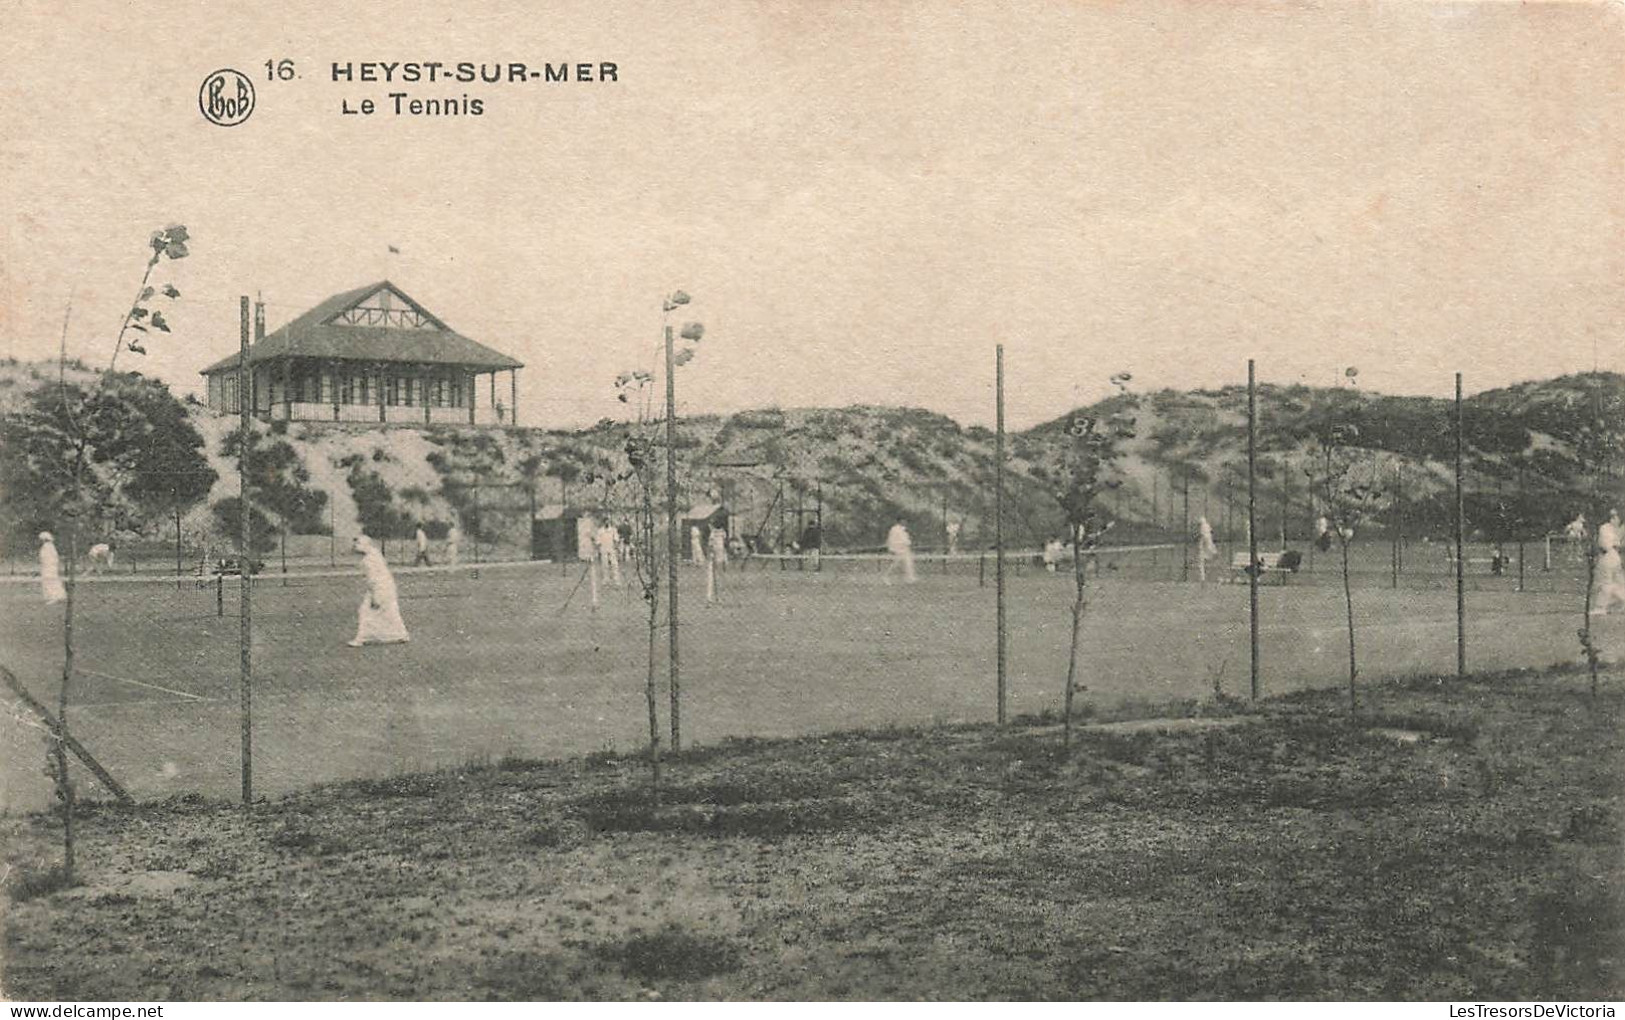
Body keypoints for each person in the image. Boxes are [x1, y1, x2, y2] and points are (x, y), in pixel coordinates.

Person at [349, 536, 409, 646]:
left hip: (379, 587)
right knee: (390, 610)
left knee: (365, 611)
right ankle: (400, 634)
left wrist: (374, 596)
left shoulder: (367, 560)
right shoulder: (375, 553)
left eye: (357, 546)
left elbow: (372, 579)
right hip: (388, 586)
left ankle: (361, 638)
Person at [1592, 510, 1625, 617]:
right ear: (1611, 519)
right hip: (1613, 556)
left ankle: (1600, 607)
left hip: (1609, 556)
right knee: (1618, 582)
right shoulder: (1609, 528)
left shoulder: (1607, 528)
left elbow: (1605, 546)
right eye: (1615, 518)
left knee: (1606, 582)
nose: (1617, 520)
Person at [882, 518, 916, 584]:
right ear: (900, 521)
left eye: (906, 521)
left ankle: (909, 578)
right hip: (898, 550)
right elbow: (892, 540)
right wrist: (893, 549)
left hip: (904, 550)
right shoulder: (895, 529)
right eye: (903, 521)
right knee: (895, 565)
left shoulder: (903, 530)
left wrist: (908, 543)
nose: (905, 522)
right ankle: (886, 577)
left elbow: (906, 540)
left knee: (908, 563)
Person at [38, 531, 65, 605]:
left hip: (49, 567)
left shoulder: (47, 547)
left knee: (50, 581)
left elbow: (47, 558)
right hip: (49, 567)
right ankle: (56, 596)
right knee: (51, 580)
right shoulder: (50, 546)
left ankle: (54, 597)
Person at [1196, 516, 1218, 582]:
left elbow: (1204, 537)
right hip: (1207, 547)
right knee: (1202, 562)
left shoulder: (1204, 529)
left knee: (1202, 562)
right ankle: (1203, 578)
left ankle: (1203, 578)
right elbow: (1209, 535)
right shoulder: (1207, 528)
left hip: (1206, 547)